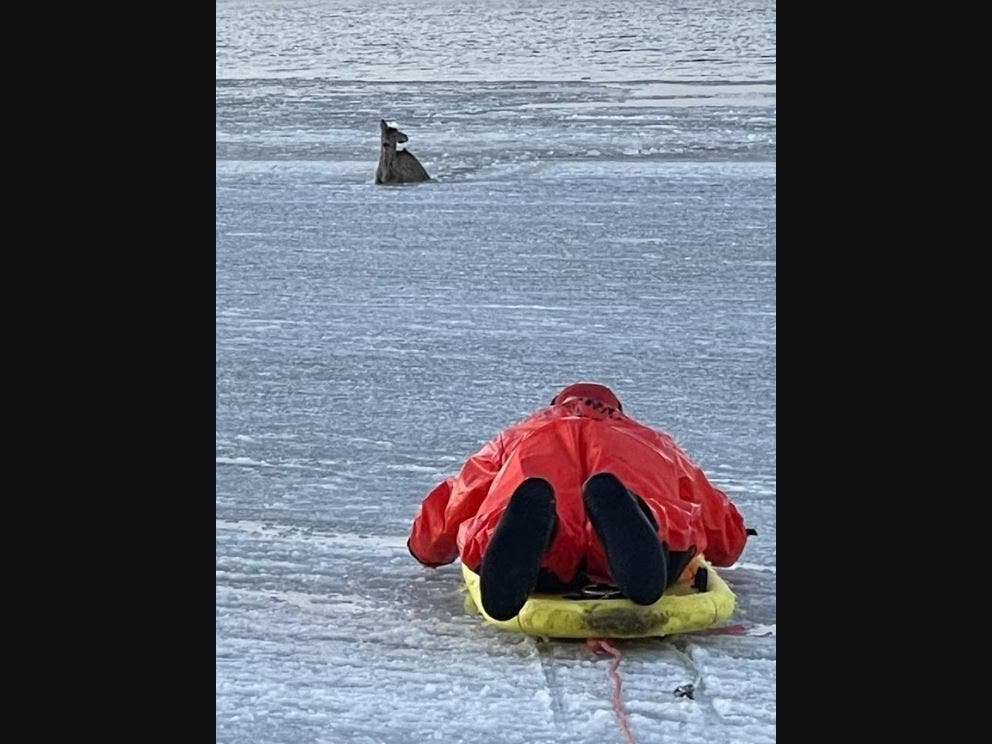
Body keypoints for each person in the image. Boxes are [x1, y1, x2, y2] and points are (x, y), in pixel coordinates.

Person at [407, 382, 751, 621]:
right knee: (662, 524)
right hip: (635, 537)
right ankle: (643, 519)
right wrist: (731, 542)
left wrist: (425, 548)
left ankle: (544, 531)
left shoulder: (515, 437)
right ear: (617, 409)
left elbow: (457, 500)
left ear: (555, 404)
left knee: (525, 532)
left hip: (551, 560)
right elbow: (719, 525)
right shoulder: (656, 442)